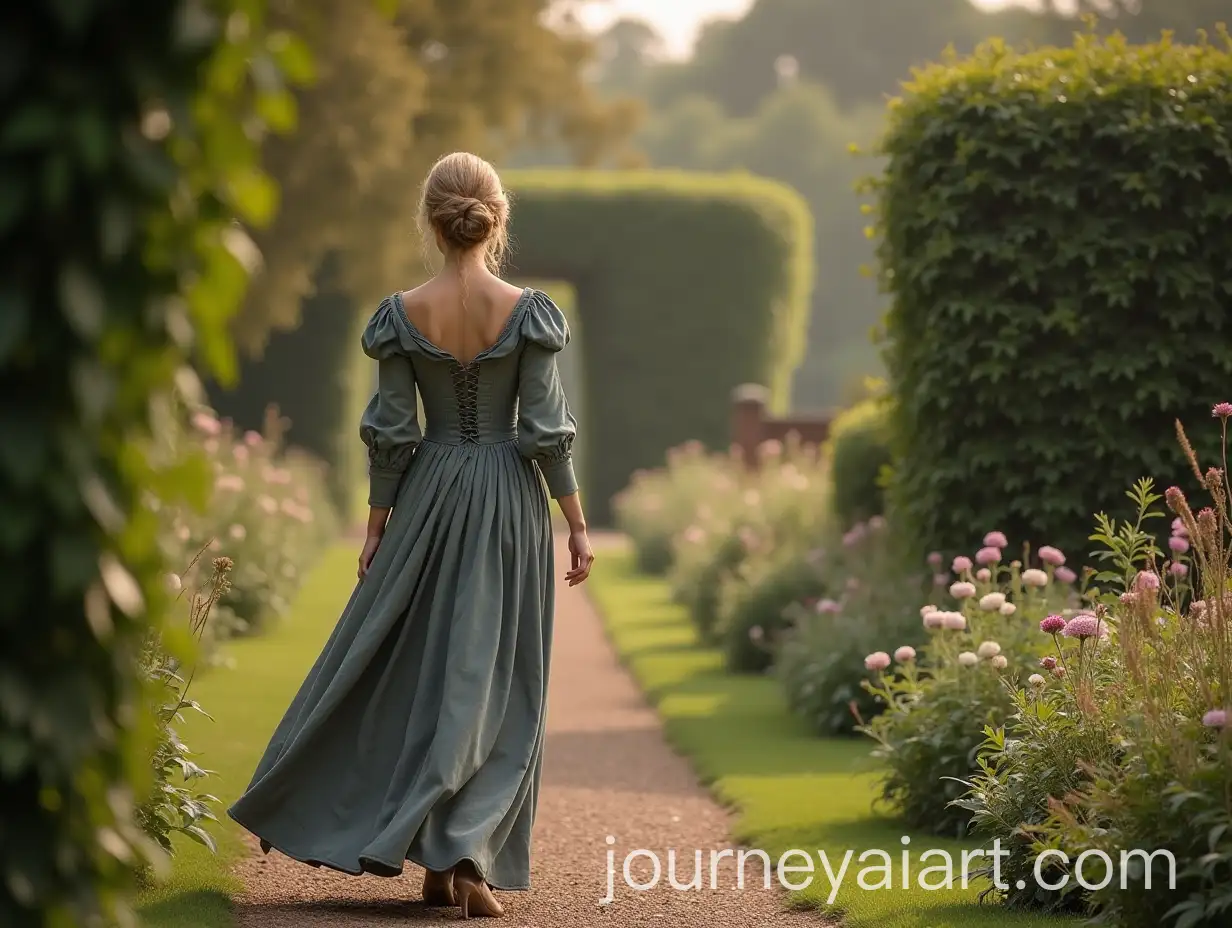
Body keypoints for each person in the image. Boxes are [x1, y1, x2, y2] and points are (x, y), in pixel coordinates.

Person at [228, 152, 595, 919]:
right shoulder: (528, 312)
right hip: (505, 500)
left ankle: (440, 854)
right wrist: (576, 522)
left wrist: (374, 526)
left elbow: (392, 433)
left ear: (430, 221)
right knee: (498, 678)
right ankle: (463, 857)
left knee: (421, 670)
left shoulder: (401, 314)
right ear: (497, 215)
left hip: (429, 497)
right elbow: (546, 431)